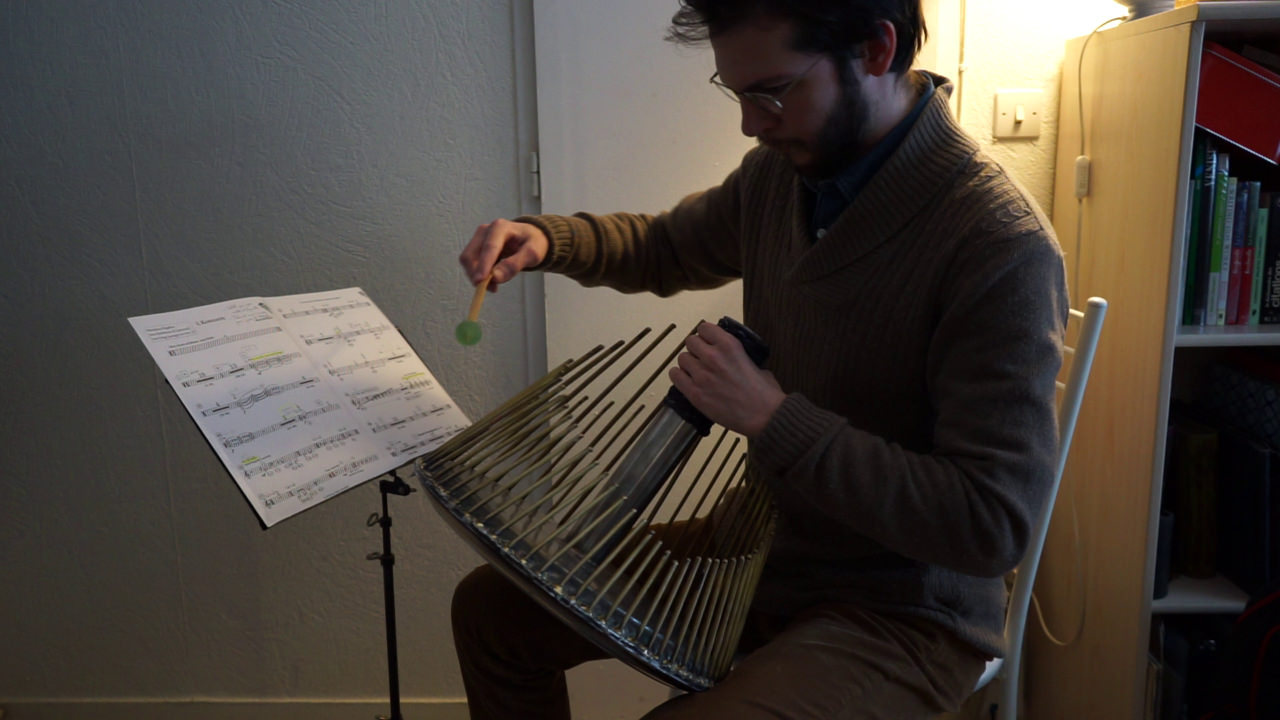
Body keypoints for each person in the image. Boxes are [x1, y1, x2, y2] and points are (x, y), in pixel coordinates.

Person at [451, 0, 1068, 717]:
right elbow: (668, 245)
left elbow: (989, 524)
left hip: (905, 613)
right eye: (738, 93)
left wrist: (774, 418)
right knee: (493, 612)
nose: (751, 122)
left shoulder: (998, 243)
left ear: (874, 50)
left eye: (771, 92)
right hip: (764, 556)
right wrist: (547, 239)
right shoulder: (782, 175)